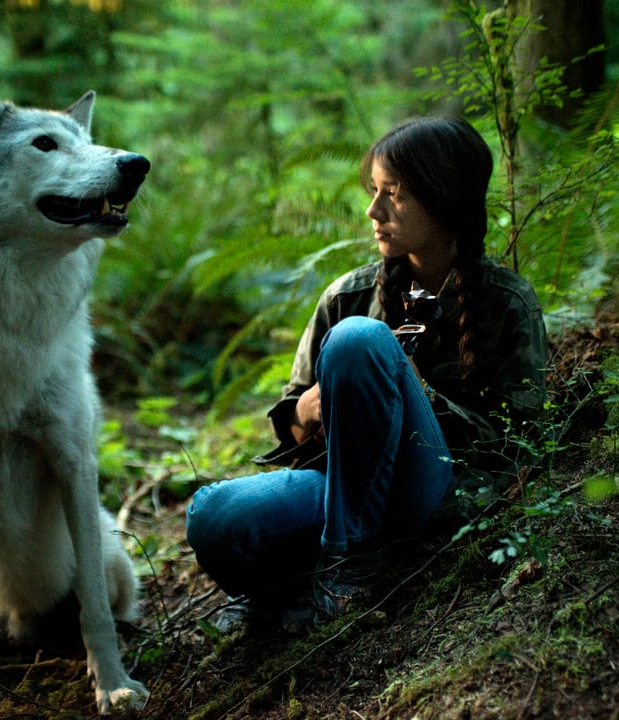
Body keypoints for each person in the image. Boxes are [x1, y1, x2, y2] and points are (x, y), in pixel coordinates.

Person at [186, 116, 549, 627]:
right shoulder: (348, 295)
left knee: (361, 339)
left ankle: (348, 566)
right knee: (214, 518)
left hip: (436, 490)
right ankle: (298, 581)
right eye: (374, 192)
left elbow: (522, 441)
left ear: (443, 198)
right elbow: (290, 429)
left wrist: (414, 394)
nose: (372, 210)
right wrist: (306, 409)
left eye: (392, 194)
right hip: (341, 487)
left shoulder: (506, 302)